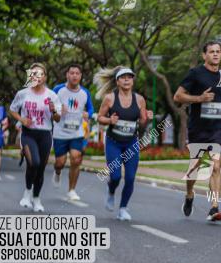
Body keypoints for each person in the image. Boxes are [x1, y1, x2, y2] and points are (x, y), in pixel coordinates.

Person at [173, 41, 221, 222]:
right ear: (204, 55)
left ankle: (214, 207)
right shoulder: (195, 73)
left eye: (218, 52)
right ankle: (189, 194)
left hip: (217, 128)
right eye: (211, 52)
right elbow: (177, 96)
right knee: (195, 166)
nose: (216, 54)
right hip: (198, 128)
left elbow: (220, 95)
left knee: (216, 166)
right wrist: (199, 98)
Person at [95, 66, 152, 221]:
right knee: (115, 177)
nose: (127, 79)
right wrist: (109, 120)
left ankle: (123, 209)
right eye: (123, 77)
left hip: (131, 143)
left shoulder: (139, 99)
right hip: (114, 142)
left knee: (131, 178)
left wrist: (147, 117)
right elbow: (99, 117)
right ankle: (111, 191)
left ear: (133, 81)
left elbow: (142, 124)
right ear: (117, 81)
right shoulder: (110, 98)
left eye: (130, 77)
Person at [8, 63, 62, 211]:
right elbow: (12, 110)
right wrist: (22, 120)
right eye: (33, 74)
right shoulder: (23, 93)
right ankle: (27, 192)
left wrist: (54, 112)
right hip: (28, 133)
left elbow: (58, 119)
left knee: (41, 169)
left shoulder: (52, 95)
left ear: (45, 77)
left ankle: (36, 199)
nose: (36, 77)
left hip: (45, 134)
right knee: (34, 162)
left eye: (40, 74)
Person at [52, 64, 94, 201]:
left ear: (80, 76)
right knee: (60, 162)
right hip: (60, 133)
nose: (74, 75)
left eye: (77, 73)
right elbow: (49, 105)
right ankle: (57, 171)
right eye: (72, 73)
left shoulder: (85, 93)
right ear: (67, 75)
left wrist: (89, 114)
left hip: (77, 133)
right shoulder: (58, 90)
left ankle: (72, 190)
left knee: (76, 159)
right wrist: (57, 110)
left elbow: (91, 109)